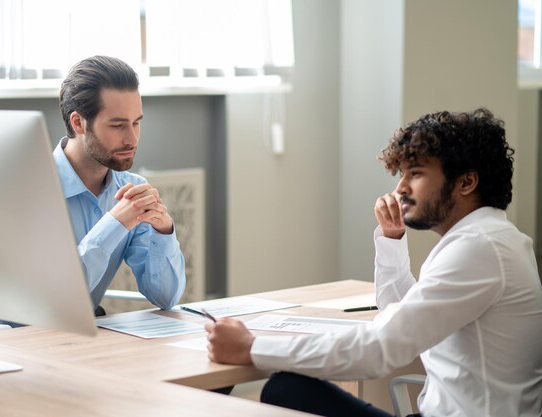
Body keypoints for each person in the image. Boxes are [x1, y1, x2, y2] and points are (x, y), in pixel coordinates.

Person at [204, 108, 542, 417]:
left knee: (286, 390)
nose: (400, 188)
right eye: (402, 174)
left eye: (416, 173)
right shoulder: (487, 239)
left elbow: (381, 348)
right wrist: (392, 239)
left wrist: (252, 348)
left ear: (467, 182)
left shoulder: (479, 247)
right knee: (289, 388)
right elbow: (401, 313)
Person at [56, 55, 186, 313]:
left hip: (78, 342)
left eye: (136, 123)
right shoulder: (34, 191)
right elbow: (57, 301)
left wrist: (163, 232)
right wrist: (114, 224)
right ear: (78, 122)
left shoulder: (131, 191)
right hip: (14, 339)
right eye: (117, 125)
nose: (132, 139)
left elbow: (166, 298)